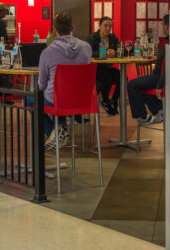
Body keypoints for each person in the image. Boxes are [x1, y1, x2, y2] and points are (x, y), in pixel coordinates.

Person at [37, 11, 92, 149]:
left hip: (58, 100)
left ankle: (54, 132)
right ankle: (61, 130)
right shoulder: (86, 47)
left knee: (30, 100)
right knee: (58, 96)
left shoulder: (47, 52)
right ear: (72, 28)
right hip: (83, 99)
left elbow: (42, 84)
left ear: (54, 30)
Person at [127, 14, 168, 124]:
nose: (162, 27)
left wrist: (160, 85)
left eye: (163, 24)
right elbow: (165, 60)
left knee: (131, 85)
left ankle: (143, 117)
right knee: (140, 88)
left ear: (168, 26)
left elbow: (168, 66)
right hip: (158, 75)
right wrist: (157, 59)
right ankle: (160, 110)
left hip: (159, 77)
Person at [86, 16, 121, 115]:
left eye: (110, 26)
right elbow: (87, 53)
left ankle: (113, 101)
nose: (108, 29)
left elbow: (120, 49)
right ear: (99, 26)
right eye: (105, 26)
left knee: (122, 77)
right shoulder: (92, 38)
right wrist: (104, 53)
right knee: (107, 78)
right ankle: (105, 102)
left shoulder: (113, 38)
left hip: (107, 67)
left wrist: (115, 52)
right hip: (94, 68)